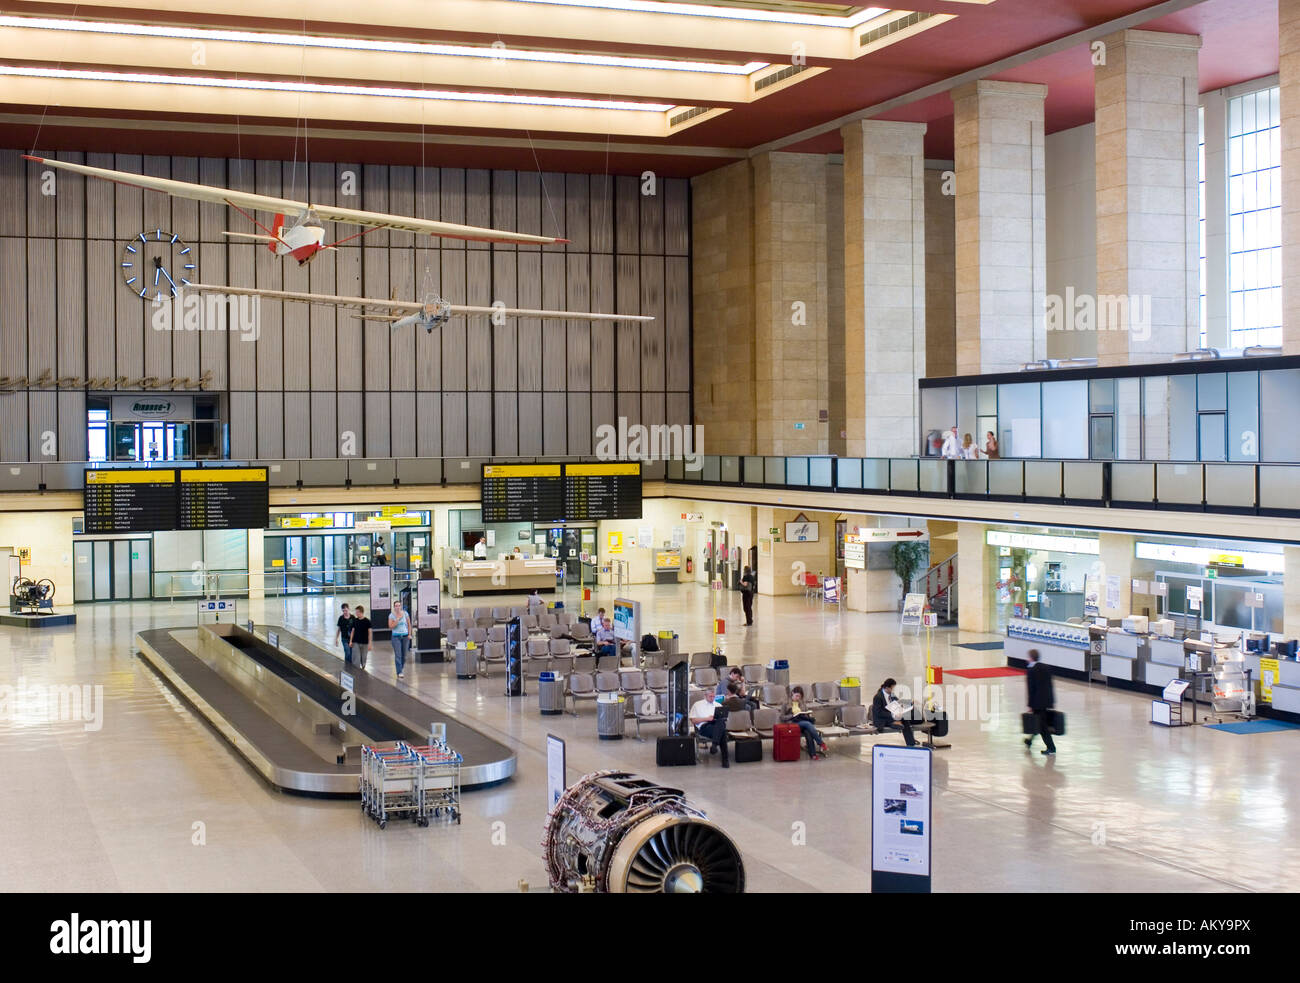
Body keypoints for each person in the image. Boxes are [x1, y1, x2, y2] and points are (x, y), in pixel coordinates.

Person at [1024, 648, 1057, 755]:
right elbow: (1050, 685)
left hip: (1037, 703)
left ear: (1031, 658)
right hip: (1047, 701)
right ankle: (1029, 741)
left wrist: (1030, 704)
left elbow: (1031, 689)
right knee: (1039, 722)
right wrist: (1052, 701)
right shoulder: (1046, 667)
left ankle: (1051, 748)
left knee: (1042, 726)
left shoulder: (1031, 670)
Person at [782, 686, 828, 759]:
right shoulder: (786, 703)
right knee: (807, 724)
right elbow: (782, 717)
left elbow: (806, 713)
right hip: (792, 723)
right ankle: (821, 743)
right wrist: (792, 715)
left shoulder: (802, 702)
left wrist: (806, 714)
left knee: (808, 732)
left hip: (802, 722)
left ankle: (813, 755)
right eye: (796, 696)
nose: (798, 698)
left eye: (799, 696)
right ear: (792, 693)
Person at [872, 677, 917, 747]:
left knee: (905, 720)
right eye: (892, 688)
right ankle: (896, 724)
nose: (893, 690)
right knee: (903, 723)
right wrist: (892, 715)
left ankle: (911, 744)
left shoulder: (891, 695)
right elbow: (878, 712)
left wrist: (909, 703)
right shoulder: (878, 697)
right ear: (887, 687)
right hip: (883, 719)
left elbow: (899, 702)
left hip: (893, 716)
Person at [389, 600, 411, 680]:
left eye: (399, 605)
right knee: (398, 655)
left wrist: (409, 634)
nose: (398, 607)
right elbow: (391, 626)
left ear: (401, 606)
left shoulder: (405, 614)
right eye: (396, 606)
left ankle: (400, 668)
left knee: (404, 655)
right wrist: (397, 619)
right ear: (394, 607)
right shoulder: (391, 615)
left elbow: (409, 624)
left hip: (405, 636)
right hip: (396, 637)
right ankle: (399, 672)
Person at [350, 605, 371, 670]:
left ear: (361, 612)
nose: (356, 614)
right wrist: (351, 641)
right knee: (356, 658)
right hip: (356, 641)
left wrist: (370, 643)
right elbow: (352, 631)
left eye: (357, 612)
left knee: (363, 657)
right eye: (356, 612)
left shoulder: (367, 621)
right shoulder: (355, 620)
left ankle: (363, 667)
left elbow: (370, 633)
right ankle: (356, 671)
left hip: (365, 642)